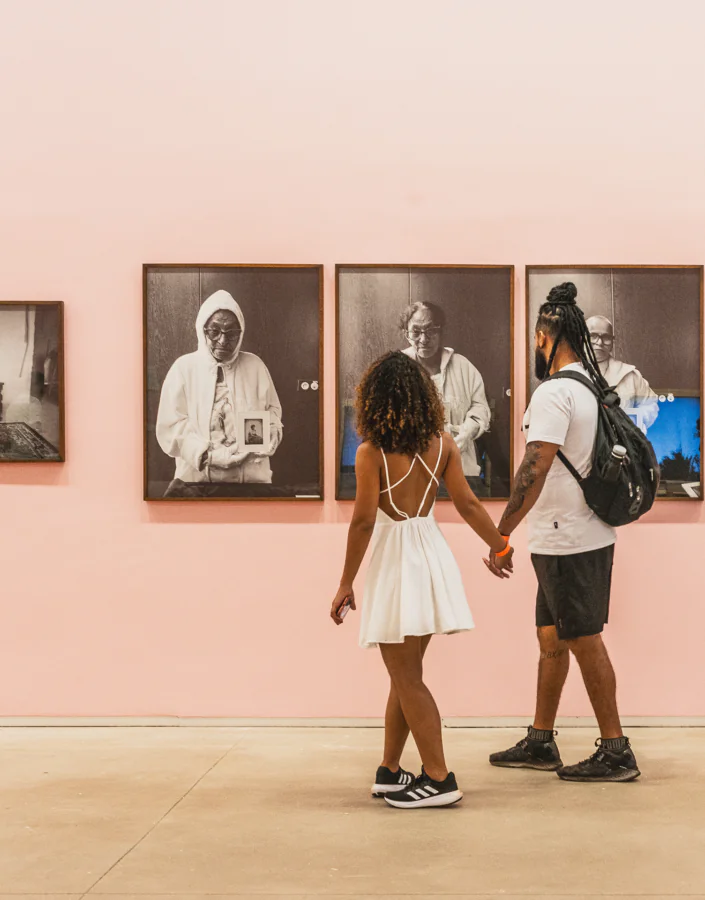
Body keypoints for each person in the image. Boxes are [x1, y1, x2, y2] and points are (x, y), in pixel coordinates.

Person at [330, 351, 513, 809]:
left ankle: (439, 777)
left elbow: (363, 523)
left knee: (407, 678)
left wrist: (345, 582)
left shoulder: (371, 453)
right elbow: (469, 504)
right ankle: (390, 771)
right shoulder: (444, 443)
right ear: (423, 398)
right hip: (430, 557)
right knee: (405, 675)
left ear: (376, 400)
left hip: (395, 561)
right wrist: (501, 544)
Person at [488, 282, 640, 783]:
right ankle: (541, 739)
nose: (535, 345)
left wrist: (501, 532)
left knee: (584, 638)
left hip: (567, 539)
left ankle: (617, 751)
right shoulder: (589, 388)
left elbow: (533, 467)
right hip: (573, 535)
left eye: (538, 336)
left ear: (547, 336)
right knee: (551, 634)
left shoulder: (555, 393)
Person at [156, 290, 282, 496]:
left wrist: (272, 431)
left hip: (252, 482)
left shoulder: (255, 365)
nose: (223, 340)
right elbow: (170, 427)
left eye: (232, 333)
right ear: (201, 329)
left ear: (241, 333)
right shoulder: (184, 368)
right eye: (214, 331)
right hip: (196, 484)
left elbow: (272, 411)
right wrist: (208, 457)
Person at [401, 302, 491, 489]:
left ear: (441, 331)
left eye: (430, 331)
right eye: (416, 332)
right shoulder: (396, 368)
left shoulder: (462, 366)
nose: (423, 339)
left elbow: (480, 406)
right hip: (410, 474)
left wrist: (467, 432)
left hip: (460, 470)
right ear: (406, 334)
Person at [586, 314, 659, 431]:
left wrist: (630, 422)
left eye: (606, 337)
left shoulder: (630, 375)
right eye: (593, 336)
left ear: (612, 341)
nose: (599, 342)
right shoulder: (571, 373)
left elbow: (650, 405)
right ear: (582, 338)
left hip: (622, 442)